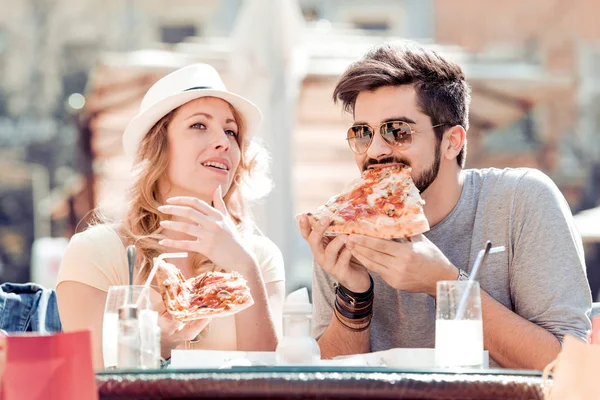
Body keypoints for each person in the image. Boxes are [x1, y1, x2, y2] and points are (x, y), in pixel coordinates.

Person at [298, 41, 592, 370]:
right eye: (362, 133)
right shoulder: (343, 226)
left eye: (397, 131)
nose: (376, 150)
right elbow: (326, 380)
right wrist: (354, 295)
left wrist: (447, 284)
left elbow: (569, 367)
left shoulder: (521, 199)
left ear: (452, 141)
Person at [57, 64, 285, 369]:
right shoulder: (95, 253)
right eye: (199, 125)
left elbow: (271, 381)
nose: (224, 142)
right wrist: (159, 345)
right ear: (157, 147)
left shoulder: (259, 257)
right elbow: (90, 383)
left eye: (231, 131)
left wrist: (243, 265)